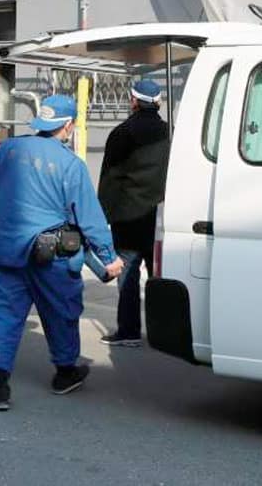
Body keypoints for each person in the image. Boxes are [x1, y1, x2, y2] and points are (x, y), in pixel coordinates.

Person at [0, 94, 123, 410]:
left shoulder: (11, 149)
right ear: (68, 126)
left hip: (10, 250)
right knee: (61, 313)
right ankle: (65, 373)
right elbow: (90, 217)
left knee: (6, 315)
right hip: (52, 254)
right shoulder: (71, 164)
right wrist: (109, 259)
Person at [97, 79, 170, 347]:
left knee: (127, 275)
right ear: (158, 102)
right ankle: (163, 333)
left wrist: (102, 215)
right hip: (160, 217)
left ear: (133, 101)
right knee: (158, 277)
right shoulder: (170, 133)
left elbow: (110, 178)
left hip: (127, 218)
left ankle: (128, 331)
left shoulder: (121, 133)